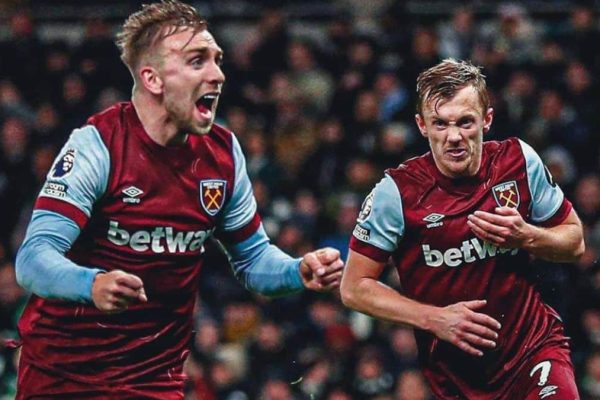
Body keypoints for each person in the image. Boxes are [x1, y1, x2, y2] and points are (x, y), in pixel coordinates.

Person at [13, 1, 343, 398]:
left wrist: (297, 270)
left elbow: (253, 260)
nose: (218, 74)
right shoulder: (98, 146)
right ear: (153, 79)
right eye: (197, 61)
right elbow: (33, 258)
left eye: (217, 60)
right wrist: (92, 283)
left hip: (153, 379)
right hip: (63, 376)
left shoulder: (222, 154)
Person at [340, 59, 584, 399]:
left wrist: (528, 236)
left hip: (534, 350)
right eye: (440, 123)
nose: (453, 137)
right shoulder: (396, 194)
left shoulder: (518, 162)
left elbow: (575, 242)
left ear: (487, 119)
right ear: (421, 125)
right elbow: (354, 288)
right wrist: (433, 319)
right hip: (458, 380)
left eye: (465, 122)